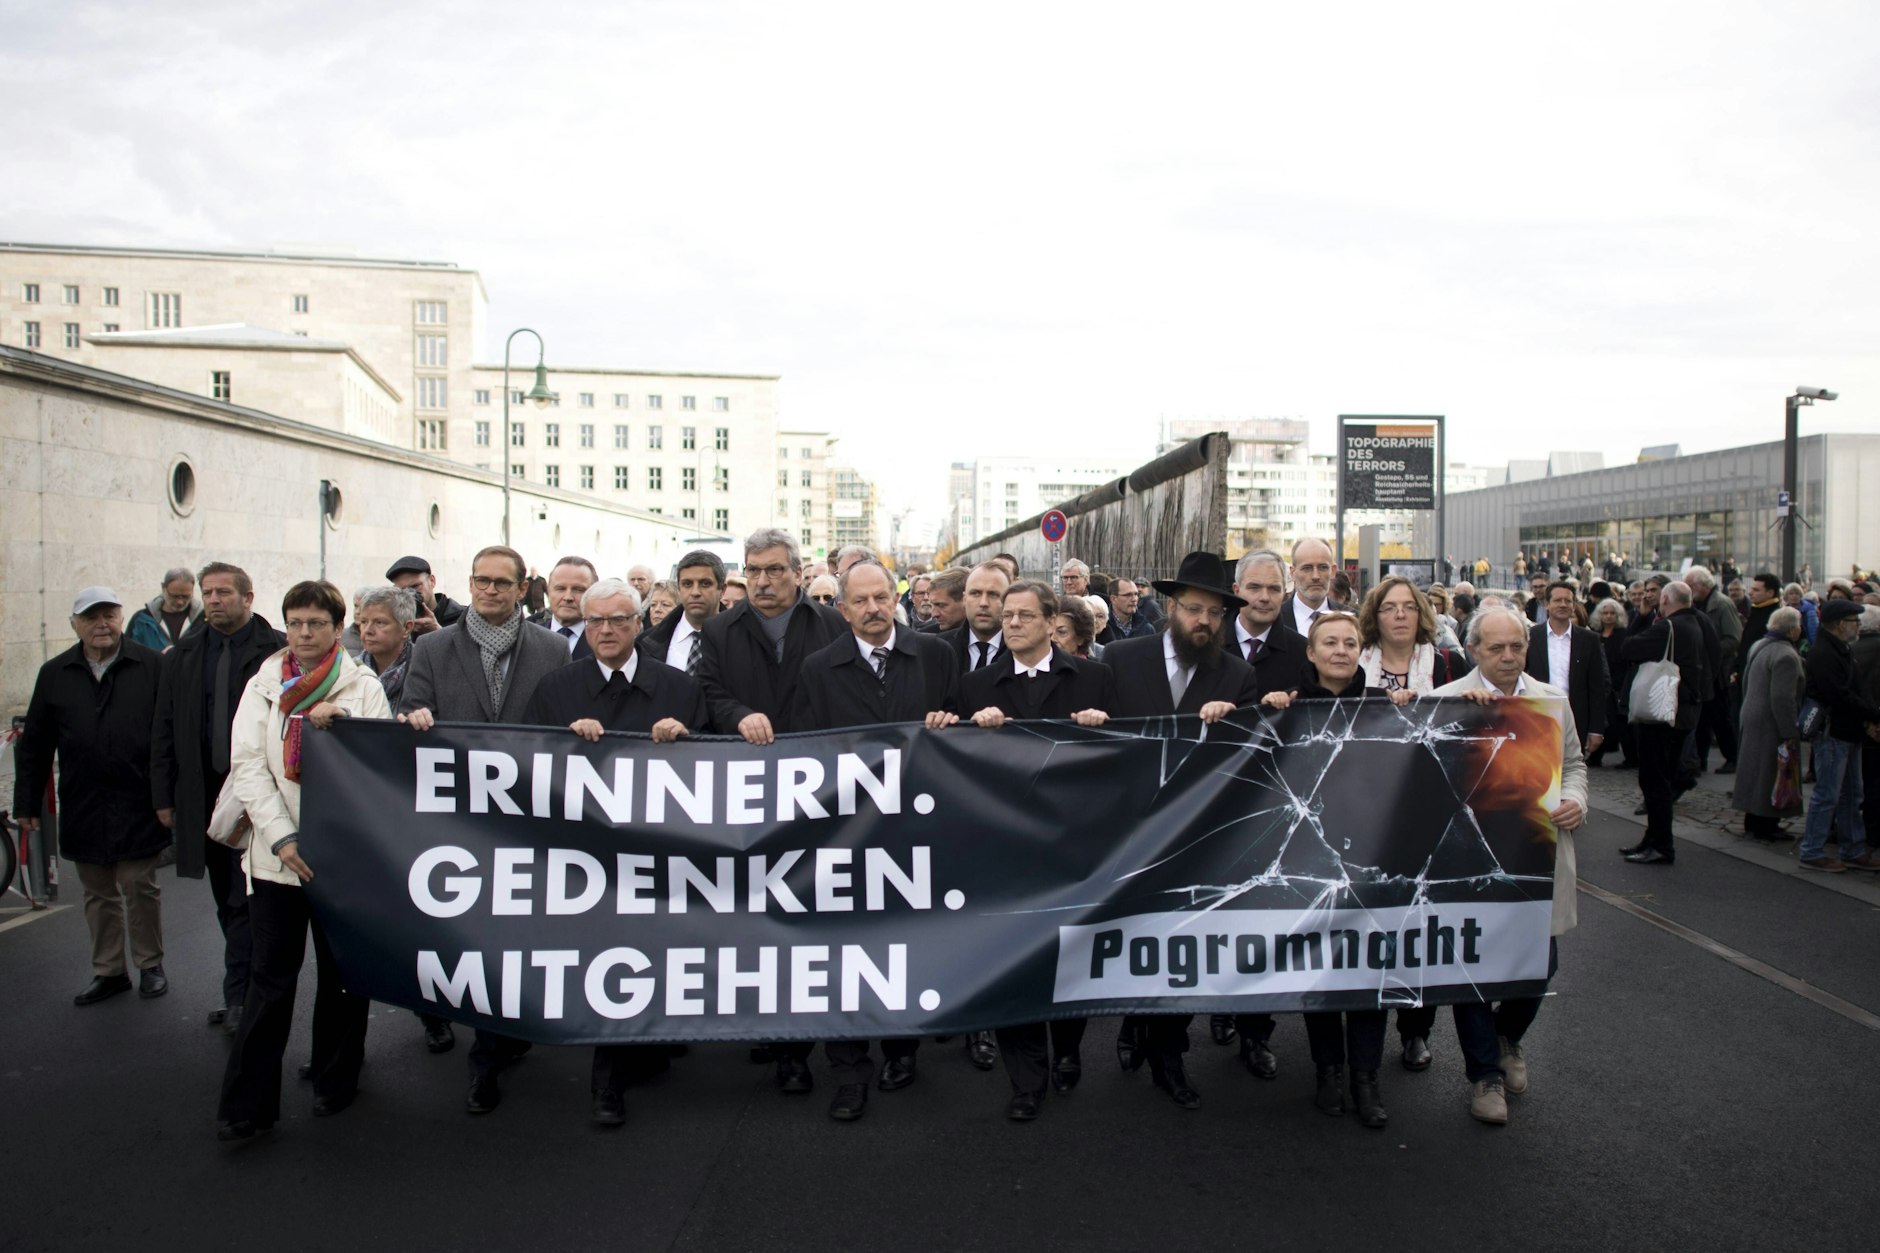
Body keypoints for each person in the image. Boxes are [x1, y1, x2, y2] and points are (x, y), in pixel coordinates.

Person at [523, 578, 706, 1125]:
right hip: (587, 856)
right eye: (596, 620)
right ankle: (607, 1085)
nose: (606, 630)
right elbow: (523, 762)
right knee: (610, 956)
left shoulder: (678, 687)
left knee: (656, 952)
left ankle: (647, 1050)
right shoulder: (557, 689)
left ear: (639, 624)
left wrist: (687, 735)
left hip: (661, 851)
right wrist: (563, 741)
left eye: (619, 620)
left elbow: (719, 768)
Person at [398, 545, 571, 1114]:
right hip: (460, 822)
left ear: (522, 589)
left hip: (530, 820)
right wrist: (414, 717)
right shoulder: (431, 647)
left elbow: (563, 724)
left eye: (501, 582)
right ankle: (485, 1060)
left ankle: (507, 1033)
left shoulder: (552, 648)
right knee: (476, 939)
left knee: (520, 936)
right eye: (481, 581)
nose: (489, 590)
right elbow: (412, 709)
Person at [216, 580, 391, 1140]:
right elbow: (248, 766)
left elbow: (378, 768)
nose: (305, 633)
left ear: (338, 628)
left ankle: (335, 1081)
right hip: (277, 860)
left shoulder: (363, 687)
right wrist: (281, 838)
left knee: (341, 976)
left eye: (317, 623)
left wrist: (342, 731)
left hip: (342, 860)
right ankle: (247, 1106)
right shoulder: (265, 684)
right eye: (295, 623)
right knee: (270, 980)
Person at [790, 561, 959, 1121]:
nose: (873, 609)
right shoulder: (818, 668)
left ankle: (902, 1051)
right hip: (847, 838)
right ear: (843, 610)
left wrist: (950, 724)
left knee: (907, 947)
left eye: (882, 597)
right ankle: (848, 1070)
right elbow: (804, 752)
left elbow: (963, 735)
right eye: (860, 601)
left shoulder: (935, 655)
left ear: (898, 599)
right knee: (845, 955)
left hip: (917, 833)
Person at [1103, 551, 1261, 1111]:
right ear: (1172, 607)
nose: (1204, 622)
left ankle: (1168, 1055)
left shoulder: (1237, 675)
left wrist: (1236, 720)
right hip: (1129, 830)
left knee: (1183, 947)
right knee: (1134, 939)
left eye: (1215, 614)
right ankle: (1135, 1022)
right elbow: (1093, 739)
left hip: (1199, 836)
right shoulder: (1120, 658)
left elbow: (1252, 755)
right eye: (1195, 609)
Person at [695, 527, 848, 1095]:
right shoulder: (719, 629)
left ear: (798, 573)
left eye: (774, 570)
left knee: (810, 913)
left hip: (818, 791)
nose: (762, 581)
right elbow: (708, 691)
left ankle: (800, 1043)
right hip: (749, 790)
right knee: (756, 916)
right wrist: (738, 715)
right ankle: (772, 1029)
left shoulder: (830, 624)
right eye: (753, 570)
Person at [1430, 604, 1588, 1126]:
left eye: (1517, 646)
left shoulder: (1551, 699)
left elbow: (1574, 765)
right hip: (1469, 860)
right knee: (1472, 968)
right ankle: (1484, 1076)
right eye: (1496, 648)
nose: (1508, 656)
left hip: (1535, 855)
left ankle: (1507, 1037)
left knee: (1540, 965)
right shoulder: (1447, 701)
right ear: (1473, 649)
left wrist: (1576, 800)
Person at [962, 580, 1114, 1120]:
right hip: (1005, 850)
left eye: (1025, 615)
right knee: (1013, 964)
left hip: (1075, 845)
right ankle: (1026, 1081)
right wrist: (966, 727)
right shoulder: (976, 685)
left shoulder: (1094, 679)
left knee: (1070, 957)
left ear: (1052, 623)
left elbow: (1127, 755)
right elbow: (952, 757)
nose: (1012, 623)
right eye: (1007, 615)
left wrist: (1102, 728)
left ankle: (1068, 1047)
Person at [1260, 612, 1414, 1129]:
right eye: (1330, 642)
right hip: (1311, 857)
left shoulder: (1382, 706)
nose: (1341, 651)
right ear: (1311, 652)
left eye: (1350, 642)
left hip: (1372, 854)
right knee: (1322, 970)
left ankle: (1366, 1078)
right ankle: (1328, 1069)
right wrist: (1270, 711)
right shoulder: (1289, 707)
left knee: (1369, 970)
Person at [16, 587, 169, 1006]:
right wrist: (26, 803)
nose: (101, 624)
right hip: (83, 800)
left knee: (138, 885)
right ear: (74, 624)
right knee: (97, 891)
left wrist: (166, 797)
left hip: (138, 798)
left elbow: (167, 736)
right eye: (90, 617)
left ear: (121, 618)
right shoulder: (55, 673)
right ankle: (109, 971)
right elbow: (35, 745)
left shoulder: (152, 665)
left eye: (109, 615)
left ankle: (150, 964)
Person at [150, 563, 285, 1035]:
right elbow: (164, 727)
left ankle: (240, 995)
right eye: (207, 593)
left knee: (245, 897)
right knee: (224, 898)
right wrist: (163, 795)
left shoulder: (277, 652)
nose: (212, 600)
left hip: (257, 794)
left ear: (248, 597)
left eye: (223, 592)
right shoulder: (183, 655)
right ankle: (244, 987)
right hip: (203, 794)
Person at [1353, 575, 1469, 1068]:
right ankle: (1364, 1023)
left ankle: (1416, 1030)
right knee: (1373, 921)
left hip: (1430, 806)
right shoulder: (1354, 664)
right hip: (1367, 808)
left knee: (1424, 923)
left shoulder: (1446, 663)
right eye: (1389, 607)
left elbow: (1471, 721)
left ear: (1421, 614)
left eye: (1408, 606)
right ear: (1374, 616)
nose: (1399, 614)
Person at [354, 584, 455, 1055]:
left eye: (379, 623)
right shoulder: (349, 672)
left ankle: (434, 1012)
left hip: (418, 807)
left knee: (423, 916)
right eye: (362, 622)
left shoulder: (426, 666)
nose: (367, 631)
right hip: (367, 808)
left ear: (406, 626)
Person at [1618, 581, 1710, 865]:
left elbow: (1628, 648)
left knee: (1654, 781)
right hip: (1683, 712)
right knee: (1661, 780)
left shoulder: (1669, 627)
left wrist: (1642, 617)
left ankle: (1661, 844)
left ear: (1666, 599)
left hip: (1662, 715)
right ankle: (1653, 839)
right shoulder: (1696, 624)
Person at [1797, 599, 1880, 873]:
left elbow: (1857, 687)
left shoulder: (1842, 649)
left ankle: (1853, 848)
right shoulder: (1824, 653)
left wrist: (1870, 716)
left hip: (1849, 730)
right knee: (1828, 795)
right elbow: (1838, 694)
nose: (1858, 626)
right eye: (1855, 621)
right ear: (1842, 624)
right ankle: (1812, 850)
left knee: (1852, 794)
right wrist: (1871, 713)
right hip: (1833, 732)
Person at [1732, 606, 1805, 841]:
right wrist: (1789, 731)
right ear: (1792, 630)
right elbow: (1783, 698)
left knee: (1754, 771)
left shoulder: (1759, 645)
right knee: (1769, 773)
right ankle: (1766, 824)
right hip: (1770, 721)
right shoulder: (1786, 655)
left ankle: (1753, 820)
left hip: (1752, 714)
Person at [1524, 582, 1609, 757]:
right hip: (1538, 717)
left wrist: (1596, 729)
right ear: (1547, 604)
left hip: (1576, 720)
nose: (1563, 605)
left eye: (1568, 601)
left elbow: (1597, 687)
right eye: (1557, 600)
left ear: (1574, 605)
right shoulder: (1531, 636)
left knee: (1572, 770)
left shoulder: (1589, 640)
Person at [1686, 566, 1741, 774]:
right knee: (1702, 719)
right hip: (1704, 671)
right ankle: (1699, 759)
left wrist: (1709, 651)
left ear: (1703, 585)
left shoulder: (1722, 604)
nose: (1688, 589)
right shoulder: (1698, 603)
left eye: (1691, 585)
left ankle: (1732, 757)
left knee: (1720, 717)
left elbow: (1733, 638)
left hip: (1717, 672)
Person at [638, 549, 725, 680]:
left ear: (722, 590)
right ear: (679, 589)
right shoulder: (647, 643)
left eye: (705, 584)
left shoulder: (742, 640)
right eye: (687, 584)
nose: (695, 592)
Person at [942, 563, 1011, 673]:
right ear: (964, 599)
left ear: (1009, 601)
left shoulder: (1024, 652)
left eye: (993, 594)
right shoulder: (940, 649)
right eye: (975, 593)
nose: (983, 603)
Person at [1588, 598, 1633, 768]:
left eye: (1612, 613)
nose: (1608, 616)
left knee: (1619, 723)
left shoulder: (1623, 635)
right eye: (1605, 613)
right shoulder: (1595, 635)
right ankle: (1596, 756)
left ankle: (1631, 757)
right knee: (1602, 722)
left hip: (1618, 684)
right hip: (1600, 684)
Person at [532, 556, 597, 659]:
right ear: (548, 590)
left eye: (578, 589)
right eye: (560, 589)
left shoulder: (605, 641)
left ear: (594, 593)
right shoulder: (527, 637)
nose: (568, 597)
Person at [1282, 538, 1349, 636]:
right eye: (1307, 568)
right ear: (1293, 573)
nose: (1315, 576)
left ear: (1333, 571)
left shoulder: (1353, 619)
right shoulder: (1274, 621)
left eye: (1323, 567)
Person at [126, 567, 202, 651]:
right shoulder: (141, 620)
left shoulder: (204, 618)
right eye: (174, 596)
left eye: (186, 596)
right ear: (163, 587)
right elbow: (128, 653)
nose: (180, 602)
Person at [386, 555, 465, 634]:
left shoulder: (463, 617)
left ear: (432, 581)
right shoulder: (396, 621)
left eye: (415, 586)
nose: (409, 594)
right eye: (402, 590)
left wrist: (437, 631)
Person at [1098, 578, 1157, 643]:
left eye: (1136, 594)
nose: (1134, 599)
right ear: (1113, 599)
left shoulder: (1146, 629)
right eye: (1128, 595)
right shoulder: (1101, 626)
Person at [919, 567, 967, 634]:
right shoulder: (925, 637)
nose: (934, 614)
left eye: (941, 605)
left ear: (965, 600)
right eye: (932, 605)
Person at [1050, 593, 1097, 659]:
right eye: (1049, 631)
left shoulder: (1096, 666)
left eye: (1061, 632)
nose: (1052, 638)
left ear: (1080, 638)